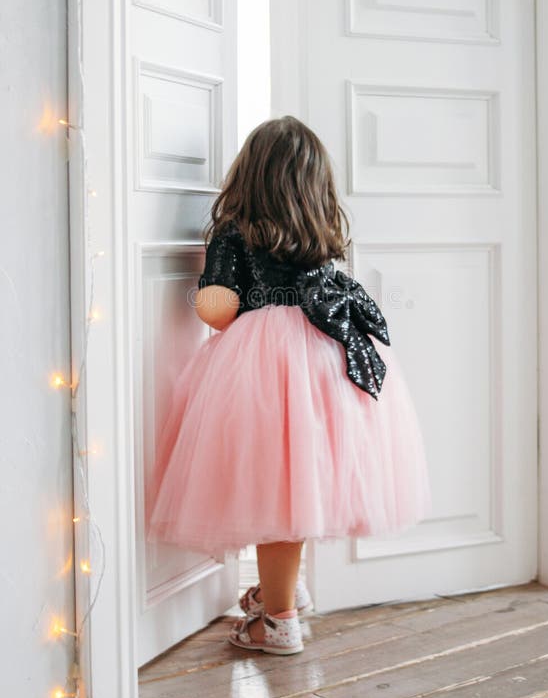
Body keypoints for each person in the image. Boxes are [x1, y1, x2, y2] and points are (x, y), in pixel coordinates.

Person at [145, 115, 433, 655]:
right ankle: (287, 591)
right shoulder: (319, 233)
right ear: (313, 183)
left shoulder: (236, 232)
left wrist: (212, 285)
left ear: (249, 176)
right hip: (328, 355)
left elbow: (218, 308)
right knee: (304, 481)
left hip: (264, 360)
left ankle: (277, 621)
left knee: (275, 487)